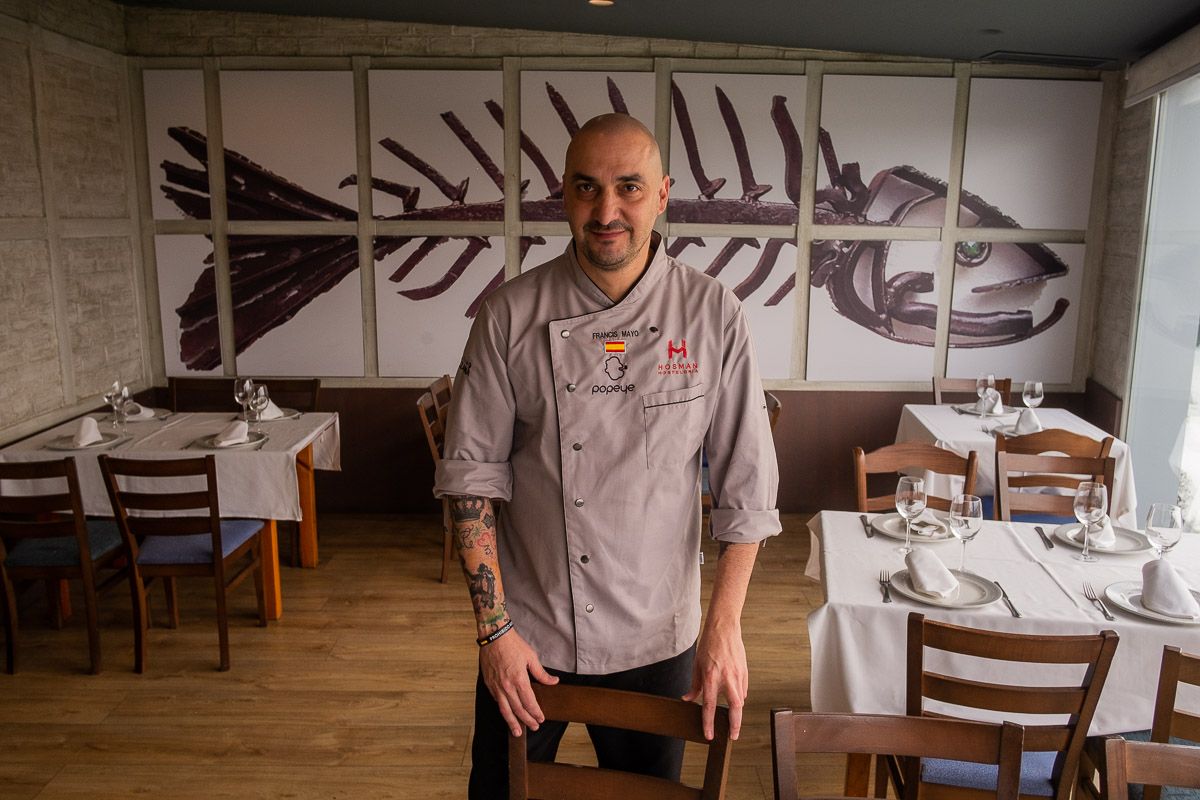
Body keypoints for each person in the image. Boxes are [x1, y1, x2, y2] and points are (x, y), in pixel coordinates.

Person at [434, 113, 780, 798]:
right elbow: (470, 481)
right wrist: (493, 632)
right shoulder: (508, 315)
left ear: (663, 194)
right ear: (563, 194)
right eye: (587, 188)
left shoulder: (713, 315)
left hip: (659, 638)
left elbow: (747, 493)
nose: (607, 210)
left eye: (629, 187)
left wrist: (724, 629)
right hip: (527, 635)